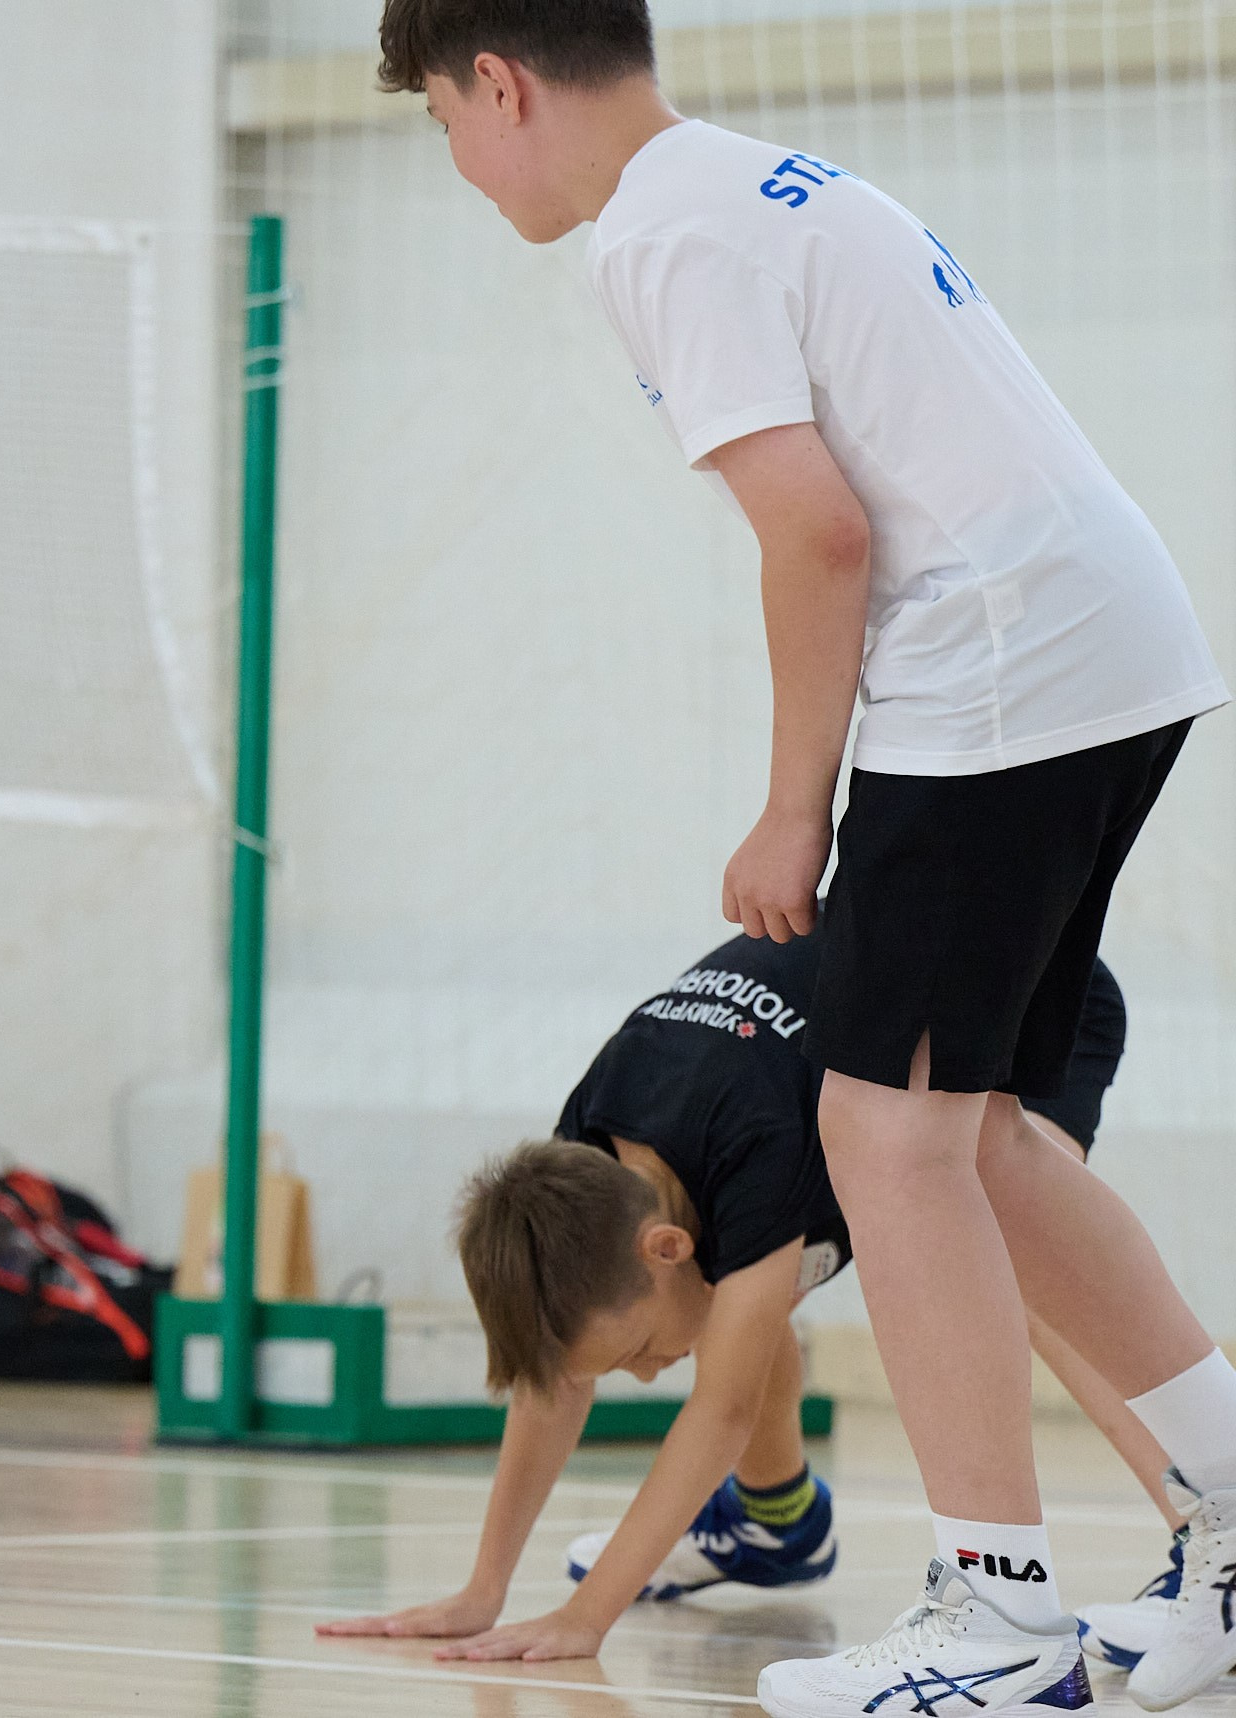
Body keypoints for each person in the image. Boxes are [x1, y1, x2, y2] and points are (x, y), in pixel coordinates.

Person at [373, 2, 1234, 1709]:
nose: (460, 164)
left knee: (884, 1132)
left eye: (442, 123)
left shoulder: (657, 235)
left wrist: (793, 807)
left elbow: (820, 532)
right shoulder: (753, 183)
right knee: (975, 1133)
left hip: (998, 660)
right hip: (1107, 636)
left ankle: (997, 1620)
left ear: (499, 84)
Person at [317, 928, 1189, 1672]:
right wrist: (483, 1589)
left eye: (634, 1355)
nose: (647, 1376)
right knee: (737, 1298)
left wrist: (585, 1619)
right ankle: (777, 1523)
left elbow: (723, 1407)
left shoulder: (753, 1145)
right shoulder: (582, 1167)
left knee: (1020, 1265)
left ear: (665, 1246)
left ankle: (1210, 1541)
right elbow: (557, 1380)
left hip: (1031, 1002)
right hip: (871, 1061)